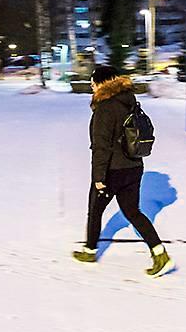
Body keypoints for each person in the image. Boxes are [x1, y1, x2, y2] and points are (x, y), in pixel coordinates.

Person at [73, 65, 174, 278]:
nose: (92, 85)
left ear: (104, 83)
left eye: (94, 81)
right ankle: (160, 254)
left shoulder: (105, 107)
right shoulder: (129, 101)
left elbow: (101, 146)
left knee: (95, 209)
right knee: (133, 212)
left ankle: (90, 251)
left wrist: (99, 178)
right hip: (134, 167)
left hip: (113, 170)